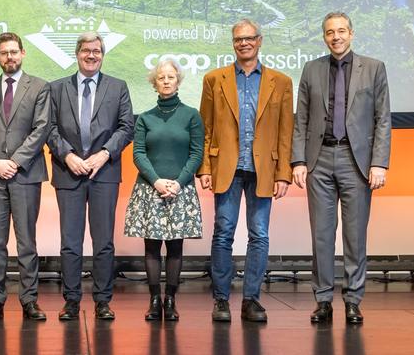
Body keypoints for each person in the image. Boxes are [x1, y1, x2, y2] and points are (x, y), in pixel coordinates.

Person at [292, 11, 391, 325]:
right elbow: (301, 119)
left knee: (355, 235)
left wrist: (379, 163)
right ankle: (323, 300)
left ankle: (352, 300)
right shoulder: (311, 69)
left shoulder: (374, 68)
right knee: (321, 235)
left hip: (356, 161)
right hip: (319, 159)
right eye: (330, 32)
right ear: (324, 36)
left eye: (341, 31)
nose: (336, 37)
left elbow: (383, 119)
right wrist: (298, 160)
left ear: (351, 33)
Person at [197, 18, 294, 323]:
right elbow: (205, 127)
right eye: (238, 39)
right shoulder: (215, 79)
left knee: (259, 234)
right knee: (223, 233)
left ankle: (251, 300)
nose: (244, 43)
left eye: (249, 38)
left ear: (259, 41)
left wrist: (283, 173)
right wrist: (204, 167)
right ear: (233, 43)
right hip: (227, 167)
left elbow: (285, 132)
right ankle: (221, 300)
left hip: (263, 169)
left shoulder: (281, 81)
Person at [48, 32, 135, 321]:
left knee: (104, 242)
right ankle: (71, 300)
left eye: (97, 51)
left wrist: (104, 154)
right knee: (70, 242)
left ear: (102, 55)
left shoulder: (118, 87)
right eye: (86, 50)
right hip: (68, 172)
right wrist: (67, 156)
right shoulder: (56, 88)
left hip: (104, 173)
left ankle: (102, 301)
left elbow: (126, 127)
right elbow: (49, 128)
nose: (91, 55)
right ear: (77, 54)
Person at [0, 32, 52, 321]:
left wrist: (15, 162)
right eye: (4, 53)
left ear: (23, 53)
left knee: (26, 242)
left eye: (14, 52)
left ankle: (29, 300)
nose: (10, 57)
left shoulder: (40, 87)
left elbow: (42, 128)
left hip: (25, 175)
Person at [124, 58, 204, 321]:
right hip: (150, 188)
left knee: (175, 247)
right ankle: (154, 301)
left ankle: (170, 300)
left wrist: (178, 183)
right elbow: (138, 153)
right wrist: (157, 181)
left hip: (181, 189)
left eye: (171, 77)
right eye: (161, 77)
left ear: (178, 81)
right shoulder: (145, 118)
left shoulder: (191, 115)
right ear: (154, 83)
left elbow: (196, 153)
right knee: (151, 247)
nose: (166, 81)